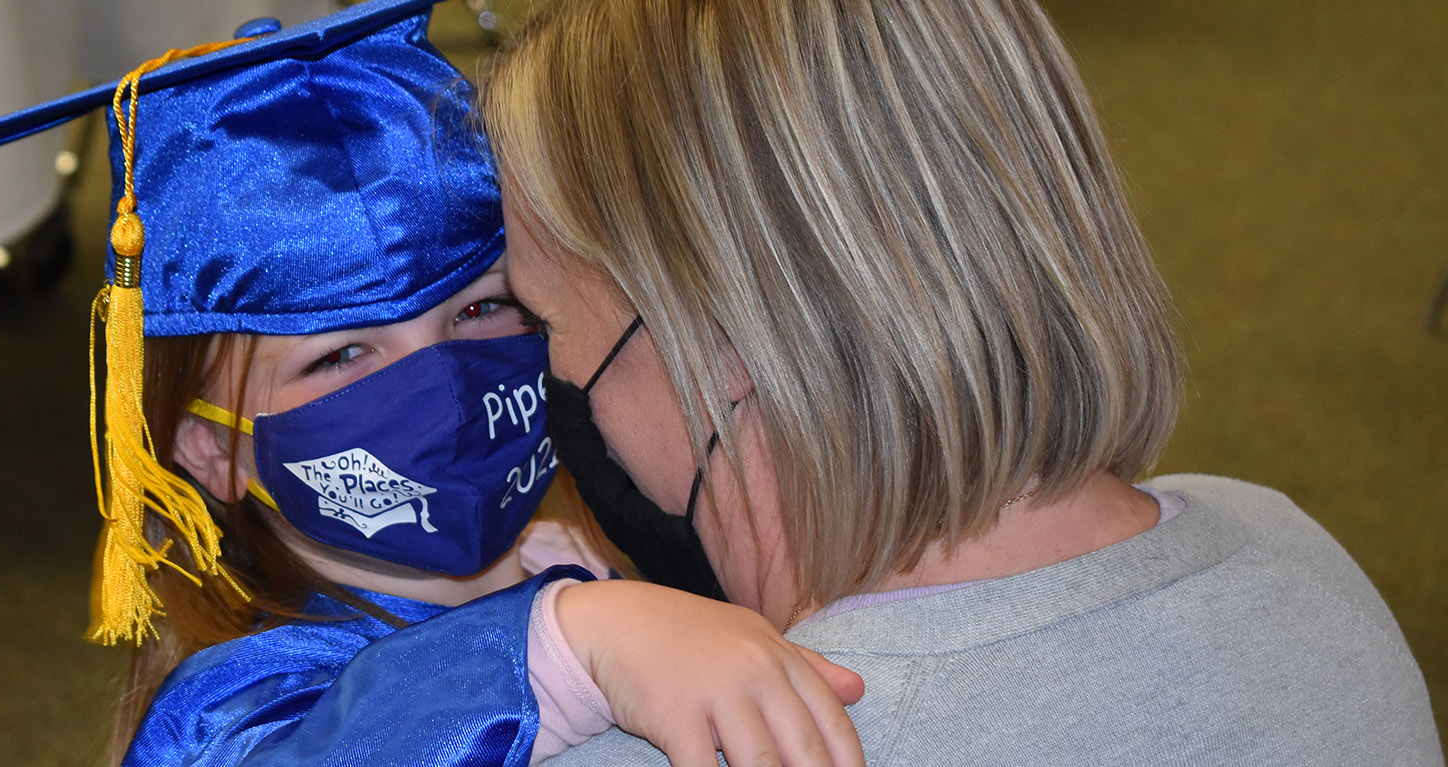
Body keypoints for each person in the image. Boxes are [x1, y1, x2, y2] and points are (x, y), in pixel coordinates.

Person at [477, 0, 1444, 764]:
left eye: (540, 321)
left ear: (723, 340)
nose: (532, 374)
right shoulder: (1298, 563)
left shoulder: (685, 748)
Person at [0, 2, 863, 766]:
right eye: (341, 355)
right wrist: (566, 644)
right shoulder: (232, 705)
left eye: (484, 311)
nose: (440, 383)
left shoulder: (598, 552)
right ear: (213, 447)